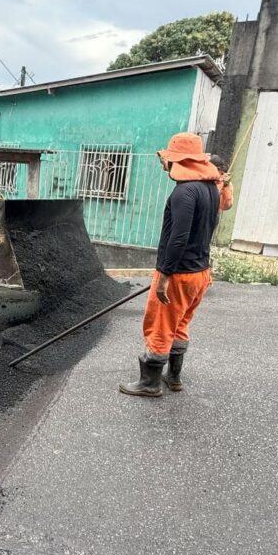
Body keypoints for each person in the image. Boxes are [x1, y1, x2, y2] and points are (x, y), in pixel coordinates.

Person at [119, 133, 221, 398]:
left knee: (160, 327)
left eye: (168, 159)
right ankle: (173, 377)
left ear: (180, 161)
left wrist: (165, 275)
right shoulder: (210, 188)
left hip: (179, 274)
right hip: (200, 272)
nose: (164, 164)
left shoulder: (184, 192)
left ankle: (149, 383)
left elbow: (178, 238)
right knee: (180, 324)